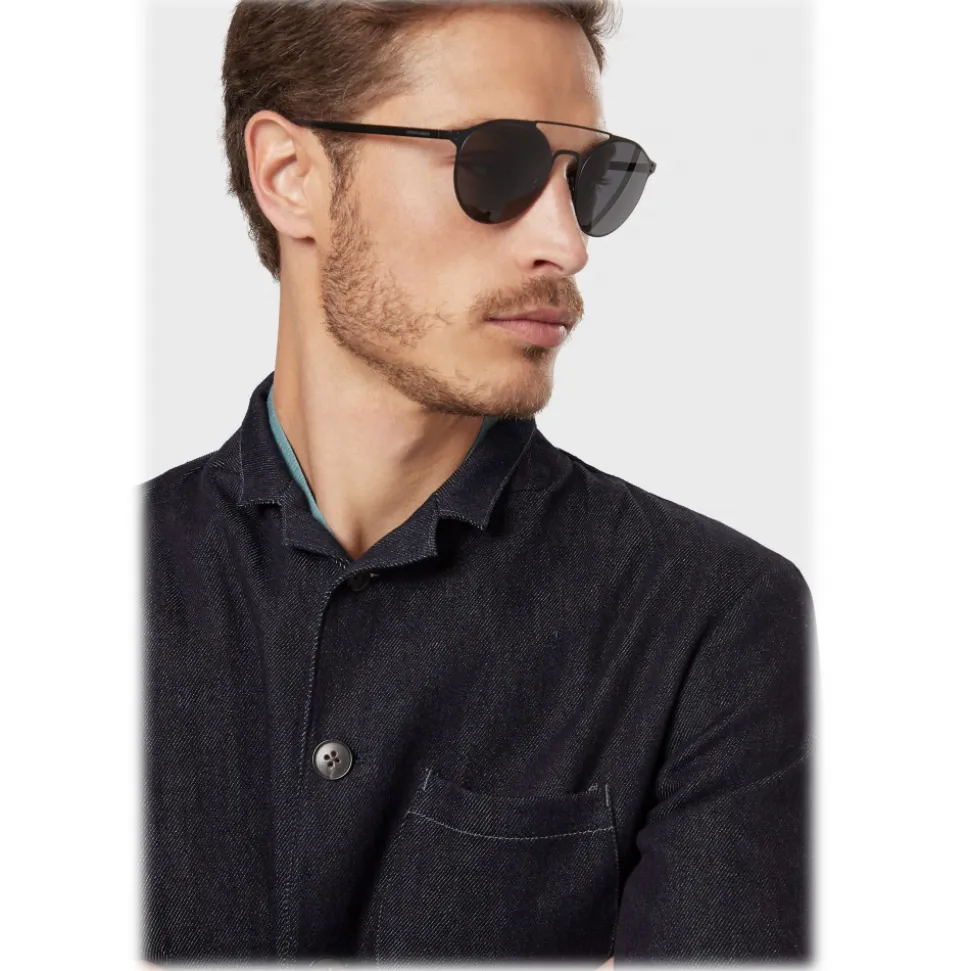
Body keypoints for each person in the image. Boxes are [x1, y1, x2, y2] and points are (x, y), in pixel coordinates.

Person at [141, 0, 815, 964]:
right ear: (291, 175)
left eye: (590, 181)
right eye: (494, 165)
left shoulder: (709, 627)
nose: (568, 245)